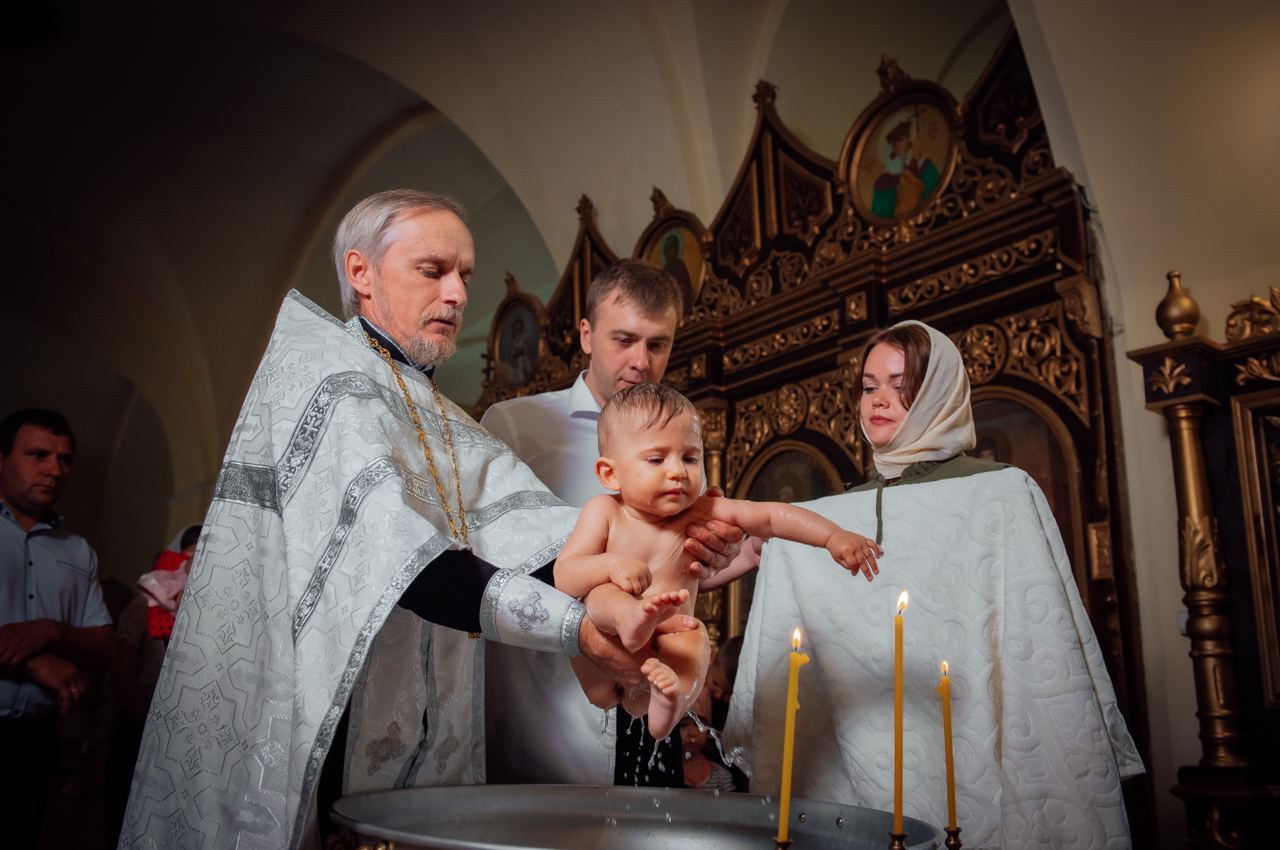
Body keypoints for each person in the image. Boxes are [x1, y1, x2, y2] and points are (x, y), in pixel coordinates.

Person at [119, 190, 703, 849]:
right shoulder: (327, 377)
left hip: (413, 729)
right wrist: (579, 630)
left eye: (466, 275)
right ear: (361, 273)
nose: (457, 294)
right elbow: (408, 562)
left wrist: (639, 582)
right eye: (434, 270)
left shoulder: (440, 416)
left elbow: (539, 537)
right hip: (316, 716)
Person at [724, 321, 1144, 849]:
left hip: (976, 740)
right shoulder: (827, 517)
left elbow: (1037, 646)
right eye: (869, 385)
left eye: (902, 386)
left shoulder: (1001, 494)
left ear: (940, 393)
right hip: (859, 755)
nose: (879, 400)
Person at [480, 259, 744, 787]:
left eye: (657, 344)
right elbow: (487, 563)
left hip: (656, 692)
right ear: (585, 334)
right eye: (623, 340)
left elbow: (674, 563)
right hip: (550, 703)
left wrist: (717, 557)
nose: (640, 362)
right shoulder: (516, 426)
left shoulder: (677, 442)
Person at [557, 382, 881, 739]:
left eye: (690, 458)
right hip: (604, 642)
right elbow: (566, 575)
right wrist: (610, 566)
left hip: (669, 635)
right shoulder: (604, 511)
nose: (678, 471)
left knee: (696, 641)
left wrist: (832, 536)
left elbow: (771, 517)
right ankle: (631, 617)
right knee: (600, 595)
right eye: (656, 459)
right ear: (610, 473)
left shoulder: (704, 510)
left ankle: (670, 701)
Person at [0, 408, 113, 846]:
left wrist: (50, 631)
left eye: (64, 459)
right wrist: (34, 663)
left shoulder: (78, 551)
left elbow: (103, 645)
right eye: (38, 455)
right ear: (2, 459)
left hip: (34, 743)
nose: (54, 469)